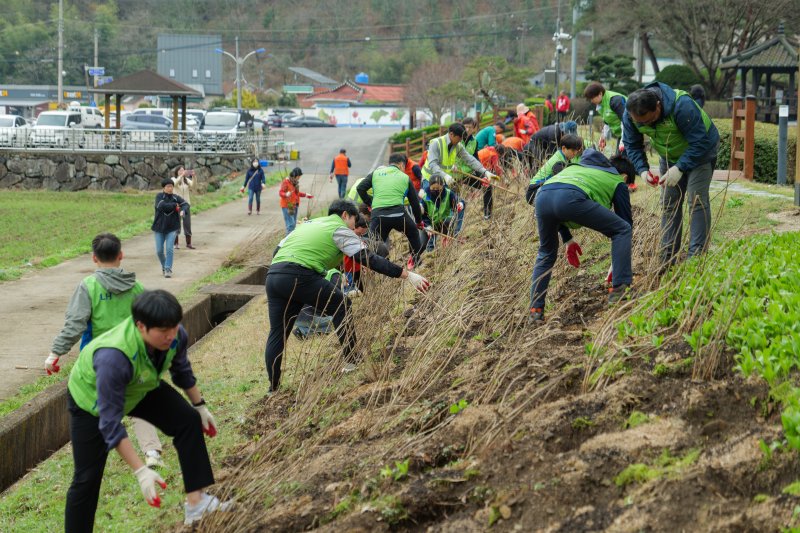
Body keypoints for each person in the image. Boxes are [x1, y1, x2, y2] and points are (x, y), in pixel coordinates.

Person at [65, 290, 231, 531]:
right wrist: (141, 471)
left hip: (140, 384)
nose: (171, 336)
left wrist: (200, 406)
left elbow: (181, 369)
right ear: (141, 326)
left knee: (187, 419)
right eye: (163, 331)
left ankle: (197, 503)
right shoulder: (114, 356)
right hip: (91, 400)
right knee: (86, 478)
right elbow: (110, 423)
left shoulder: (175, 334)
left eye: (174, 327)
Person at [264, 199, 430, 392]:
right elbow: (369, 259)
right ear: (345, 215)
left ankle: (273, 388)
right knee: (342, 305)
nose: (354, 226)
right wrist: (407, 275)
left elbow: (278, 250)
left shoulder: (309, 224)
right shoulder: (339, 229)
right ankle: (352, 360)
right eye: (353, 220)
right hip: (299, 274)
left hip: (274, 276)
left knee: (278, 332)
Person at [45, 233, 165, 468]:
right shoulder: (136, 286)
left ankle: (105, 452)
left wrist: (55, 353)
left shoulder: (88, 286)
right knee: (139, 400)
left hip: (100, 361)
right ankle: (152, 452)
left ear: (94, 258)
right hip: (133, 357)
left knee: (104, 407)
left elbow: (75, 325)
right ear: (121, 255)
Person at [529, 150, 636, 323]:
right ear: (625, 177)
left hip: (542, 196)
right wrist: (618, 267)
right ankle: (620, 291)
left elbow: (557, 198)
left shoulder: (578, 167)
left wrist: (568, 239)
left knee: (546, 253)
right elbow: (624, 226)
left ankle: (535, 310)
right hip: (570, 197)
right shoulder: (618, 181)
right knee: (622, 229)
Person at [622, 81, 719, 267]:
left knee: (696, 200)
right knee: (669, 203)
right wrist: (642, 169)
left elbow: (701, 141)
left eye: (650, 120)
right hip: (669, 155)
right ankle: (667, 257)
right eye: (641, 123)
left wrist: (680, 167)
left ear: (658, 105)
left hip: (702, 152)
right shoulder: (630, 114)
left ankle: (696, 258)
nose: (646, 125)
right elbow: (632, 144)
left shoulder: (682, 106)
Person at [357, 153, 426, 269]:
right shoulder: (404, 177)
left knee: (375, 243)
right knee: (413, 232)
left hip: (378, 216)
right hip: (399, 215)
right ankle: (416, 261)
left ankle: (379, 268)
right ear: (401, 164)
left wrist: (371, 203)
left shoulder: (376, 173)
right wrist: (418, 222)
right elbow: (414, 203)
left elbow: (360, 188)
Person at [421, 123, 496, 220]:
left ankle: (450, 232)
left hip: (444, 180)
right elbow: (433, 164)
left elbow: (470, 160)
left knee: (452, 207)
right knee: (430, 206)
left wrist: (485, 172)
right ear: (451, 134)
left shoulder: (458, 145)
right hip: (429, 180)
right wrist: (446, 176)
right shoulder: (436, 143)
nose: (460, 141)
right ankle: (427, 230)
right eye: (459, 138)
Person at [525, 133, 583, 204]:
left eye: (577, 150)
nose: (575, 153)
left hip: (540, 189)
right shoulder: (559, 162)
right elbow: (563, 183)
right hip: (534, 192)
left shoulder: (563, 156)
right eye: (573, 150)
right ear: (564, 148)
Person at [152, 178, 188, 278]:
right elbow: (161, 206)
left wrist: (183, 210)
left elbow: (185, 204)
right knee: (159, 251)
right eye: (168, 186)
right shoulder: (159, 196)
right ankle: (164, 265)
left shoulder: (176, 197)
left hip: (172, 227)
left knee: (169, 249)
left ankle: (168, 269)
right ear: (164, 188)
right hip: (159, 227)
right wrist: (175, 206)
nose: (170, 188)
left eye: (171, 186)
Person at [419, 175, 464, 251]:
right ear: (429, 187)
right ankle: (429, 251)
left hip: (444, 222)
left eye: (438, 189)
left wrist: (460, 204)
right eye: (433, 188)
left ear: (442, 187)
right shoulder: (425, 197)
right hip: (430, 225)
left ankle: (451, 238)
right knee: (423, 244)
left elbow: (460, 201)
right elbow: (422, 216)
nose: (436, 190)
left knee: (448, 221)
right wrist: (428, 226)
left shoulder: (448, 194)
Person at [584, 82, 626, 154]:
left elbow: (625, 121)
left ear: (600, 94)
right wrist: (603, 136)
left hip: (630, 133)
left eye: (592, 98)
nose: (591, 101)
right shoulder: (600, 104)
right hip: (621, 135)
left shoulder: (615, 101)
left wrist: (623, 141)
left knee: (623, 161)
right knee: (619, 160)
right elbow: (607, 121)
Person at [279, 167, 313, 235]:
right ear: (296, 176)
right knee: (290, 225)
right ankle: (287, 242)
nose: (299, 178)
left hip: (294, 205)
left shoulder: (295, 183)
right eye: (299, 176)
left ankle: (290, 242)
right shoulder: (286, 182)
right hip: (287, 206)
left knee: (293, 225)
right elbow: (280, 192)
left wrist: (305, 195)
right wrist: (286, 194)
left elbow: (296, 194)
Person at [172, 167, 195, 249]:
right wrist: (181, 176)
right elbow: (174, 183)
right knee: (176, 224)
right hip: (177, 205)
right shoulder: (174, 179)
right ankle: (176, 244)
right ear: (176, 171)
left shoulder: (186, 180)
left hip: (186, 205)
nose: (182, 172)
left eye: (183, 170)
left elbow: (193, 185)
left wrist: (194, 176)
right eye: (180, 170)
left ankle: (188, 243)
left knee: (187, 223)